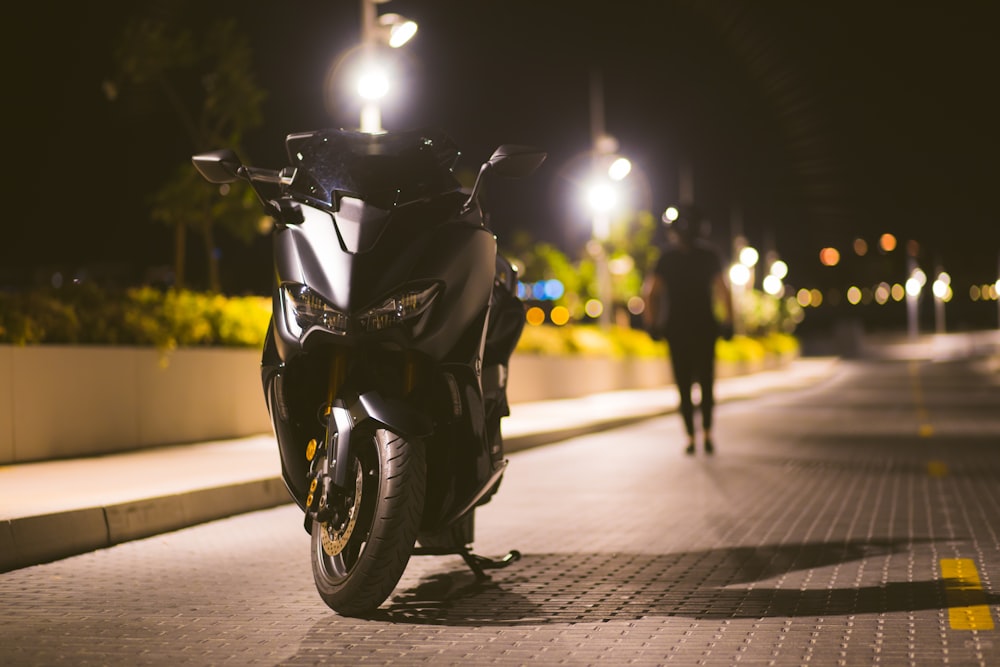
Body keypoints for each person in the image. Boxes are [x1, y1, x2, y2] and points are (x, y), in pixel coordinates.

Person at [642, 208, 733, 455]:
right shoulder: (709, 256)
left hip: (676, 329)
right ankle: (706, 433)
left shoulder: (666, 258)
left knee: (683, 385)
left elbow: (651, 292)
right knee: (706, 383)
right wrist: (729, 322)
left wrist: (651, 324)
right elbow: (724, 290)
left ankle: (691, 438)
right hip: (705, 327)